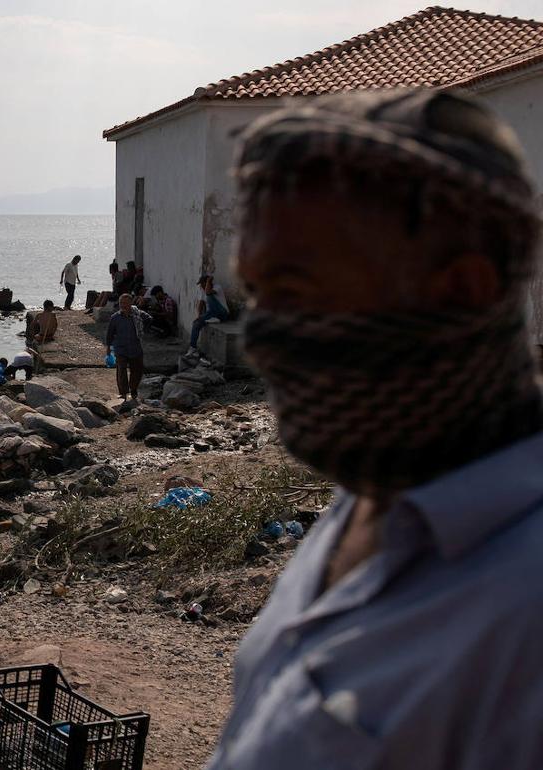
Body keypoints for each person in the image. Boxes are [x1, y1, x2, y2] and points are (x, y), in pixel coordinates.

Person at [205, 90, 543, 769]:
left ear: (461, 290)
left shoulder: (526, 616)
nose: (265, 338)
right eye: (258, 294)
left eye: (296, 292)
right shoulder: (369, 493)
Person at [106, 294, 150, 403]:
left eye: (125, 303)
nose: (123, 305)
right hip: (121, 348)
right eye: (121, 303)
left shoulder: (138, 315)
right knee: (121, 371)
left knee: (137, 370)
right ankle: (123, 393)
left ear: (131, 304)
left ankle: (133, 390)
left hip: (135, 348)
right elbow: (110, 333)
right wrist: (108, 347)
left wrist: (143, 330)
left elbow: (149, 319)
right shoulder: (115, 318)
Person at [187, 273, 230, 356]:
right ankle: (193, 348)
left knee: (209, 297)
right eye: (201, 284)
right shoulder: (203, 290)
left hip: (222, 313)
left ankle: (214, 318)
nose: (201, 286)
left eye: (203, 283)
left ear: (207, 282)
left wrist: (208, 281)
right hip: (211, 314)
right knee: (196, 323)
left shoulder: (217, 287)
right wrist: (199, 316)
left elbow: (208, 292)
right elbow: (200, 304)